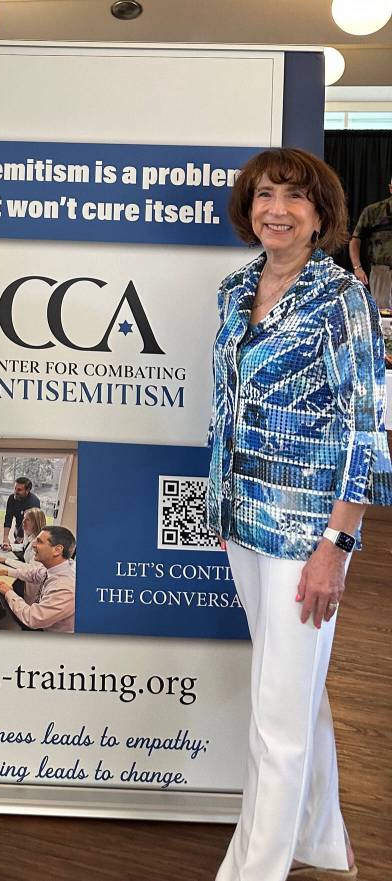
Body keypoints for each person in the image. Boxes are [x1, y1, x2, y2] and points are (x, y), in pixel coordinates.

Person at [209, 147, 392, 881]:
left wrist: (337, 544)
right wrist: (218, 502)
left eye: (293, 196)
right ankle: (319, 834)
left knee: (276, 722)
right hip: (241, 519)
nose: (276, 209)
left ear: (320, 214)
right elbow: (226, 405)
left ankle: (254, 869)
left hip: (305, 531)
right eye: (263, 196)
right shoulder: (233, 289)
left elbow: (367, 426)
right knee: (295, 689)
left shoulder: (340, 299)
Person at [0, 526, 76, 632]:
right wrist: (7, 572)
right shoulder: (59, 565)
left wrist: (8, 592)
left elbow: (32, 619)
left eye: (39, 542)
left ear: (57, 550)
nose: (33, 545)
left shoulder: (65, 588)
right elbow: (35, 574)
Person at [349, 173, 392, 312]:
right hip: (382, 272)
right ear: (390, 188)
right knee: (382, 315)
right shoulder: (373, 211)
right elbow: (355, 239)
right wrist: (357, 267)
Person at [1, 477, 40, 549]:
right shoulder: (12, 498)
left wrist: (15, 544)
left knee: (23, 551)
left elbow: (27, 524)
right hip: (18, 527)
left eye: (19, 490)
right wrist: (5, 537)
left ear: (27, 490)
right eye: (15, 488)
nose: (15, 492)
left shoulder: (33, 502)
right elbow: (8, 517)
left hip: (30, 533)